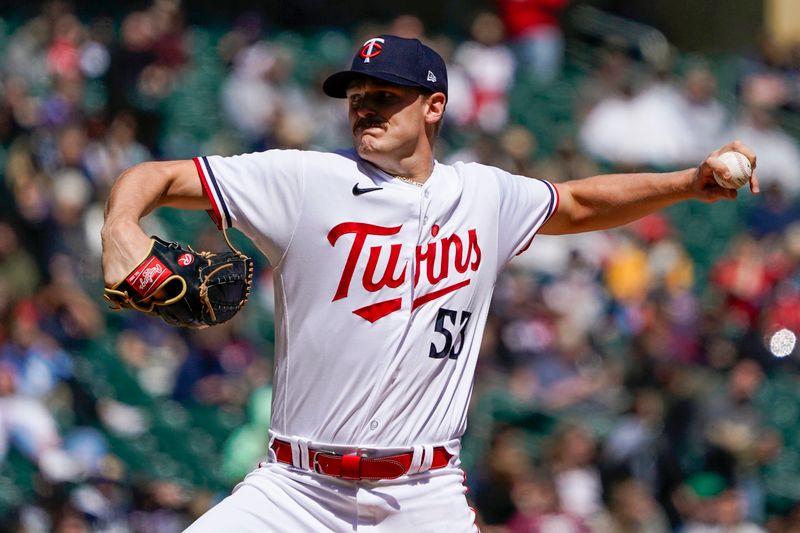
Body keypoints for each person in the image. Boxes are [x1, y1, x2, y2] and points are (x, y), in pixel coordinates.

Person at [101, 34, 759, 531]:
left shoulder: (482, 193)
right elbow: (155, 177)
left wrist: (683, 184)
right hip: (296, 489)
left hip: (422, 494)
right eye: (357, 98)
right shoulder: (306, 181)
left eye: (384, 96)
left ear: (434, 106)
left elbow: (579, 203)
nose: (365, 109)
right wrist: (121, 231)